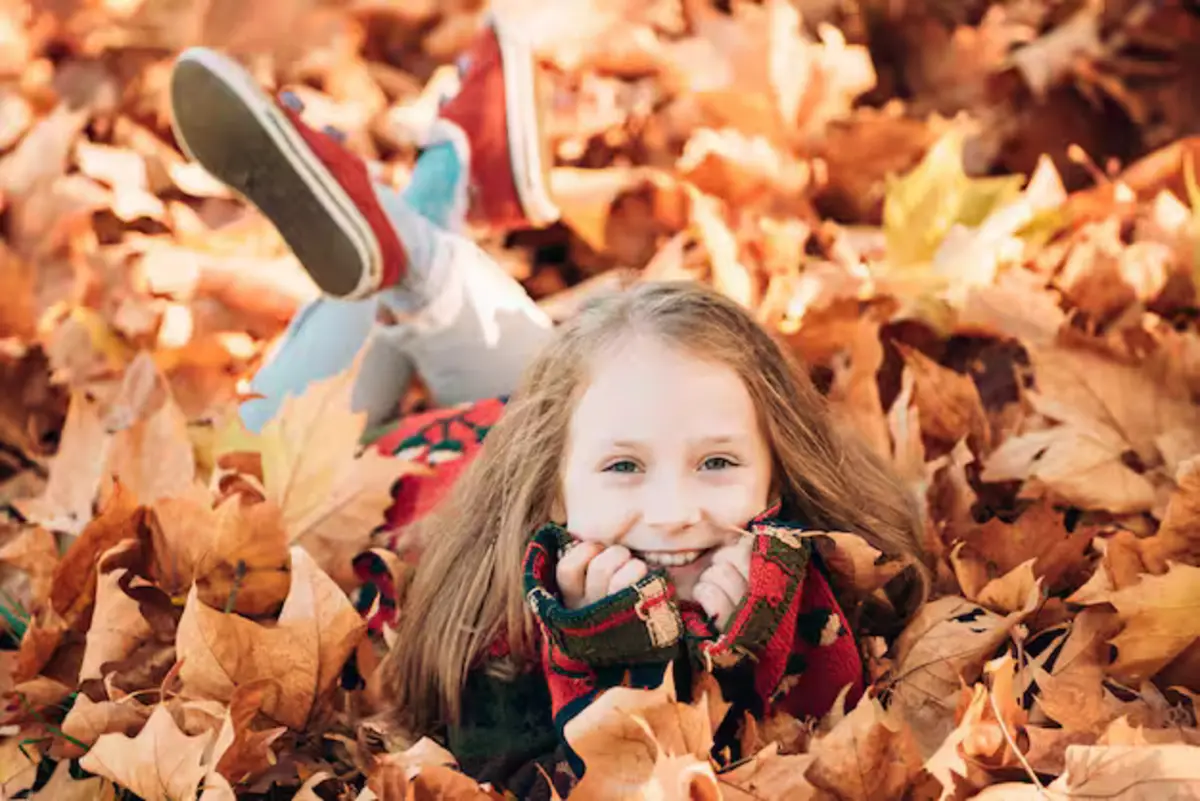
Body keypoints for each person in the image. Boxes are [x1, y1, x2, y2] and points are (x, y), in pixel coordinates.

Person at [169, 15, 930, 797]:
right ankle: (443, 186)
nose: (673, 512)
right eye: (629, 467)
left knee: (493, 313)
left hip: (554, 416)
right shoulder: (495, 621)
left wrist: (748, 627)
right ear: (552, 488)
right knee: (237, 485)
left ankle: (446, 179)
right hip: (374, 461)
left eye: (718, 462)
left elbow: (830, 716)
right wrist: (614, 646)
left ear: (776, 473)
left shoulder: (797, 555)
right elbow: (528, 779)